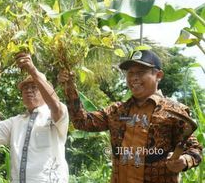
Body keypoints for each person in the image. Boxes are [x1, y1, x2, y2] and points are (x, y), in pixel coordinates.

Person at [58, 50, 202, 183]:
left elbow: (194, 150)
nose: (134, 78)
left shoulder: (175, 111)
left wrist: (184, 161)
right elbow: (82, 122)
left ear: (158, 75)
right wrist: (69, 88)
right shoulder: (116, 111)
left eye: (140, 72)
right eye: (130, 73)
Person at [0, 52, 69, 183]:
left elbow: (56, 106)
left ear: (43, 90)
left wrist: (32, 69)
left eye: (34, 87)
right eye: (25, 88)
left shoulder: (54, 114)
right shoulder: (17, 121)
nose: (28, 91)